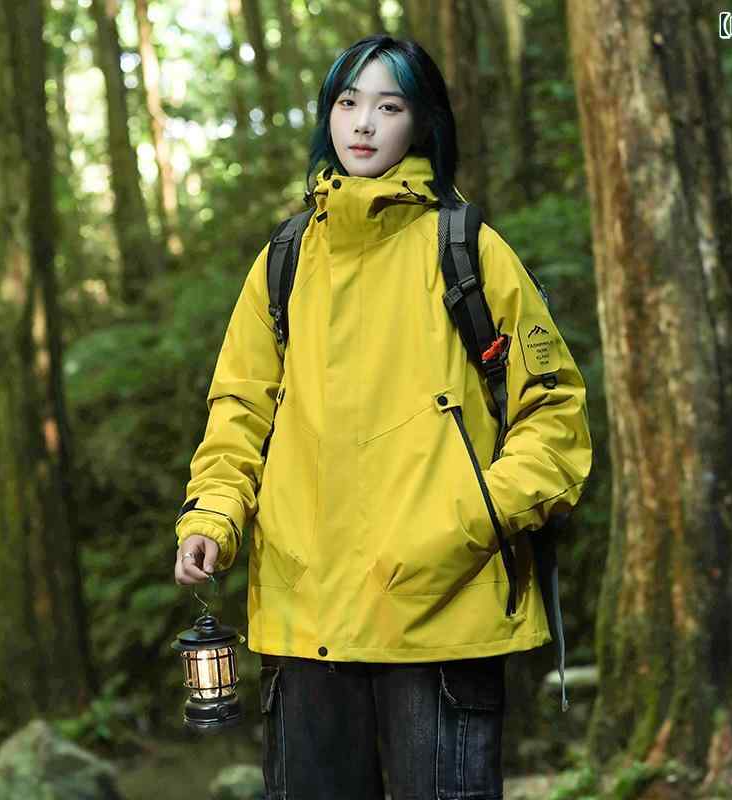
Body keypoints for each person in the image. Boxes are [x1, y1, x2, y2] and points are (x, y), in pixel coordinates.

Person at [174, 33, 592, 800]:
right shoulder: (284, 260)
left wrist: (466, 521)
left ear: (423, 122)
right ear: (327, 115)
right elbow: (239, 410)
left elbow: (553, 413)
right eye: (348, 102)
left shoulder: (470, 251)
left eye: (389, 106)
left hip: (442, 609)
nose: (363, 123)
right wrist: (214, 515)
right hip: (306, 620)